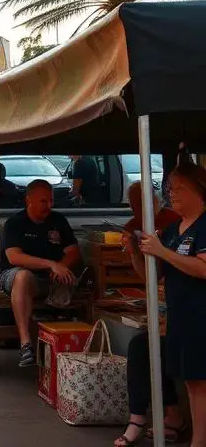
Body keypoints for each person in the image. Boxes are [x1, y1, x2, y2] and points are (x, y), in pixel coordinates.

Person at [129, 163, 206, 447]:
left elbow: (202, 268)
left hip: (201, 315)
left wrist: (162, 251)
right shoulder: (173, 229)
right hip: (180, 316)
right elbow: (156, 276)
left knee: (200, 384)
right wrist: (139, 255)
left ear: (197, 190)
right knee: (191, 381)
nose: (172, 195)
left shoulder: (204, 225)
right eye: (170, 189)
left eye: (178, 189)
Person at [114, 181, 185, 446]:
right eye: (136, 204)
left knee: (151, 345)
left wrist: (159, 250)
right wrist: (134, 252)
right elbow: (151, 278)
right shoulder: (134, 225)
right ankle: (142, 418)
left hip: (187, 312)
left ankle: (167, 417)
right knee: (146, 345)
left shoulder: (176, 223)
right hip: (176, 307)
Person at [0, 179, 81, 367]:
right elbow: (14, 257)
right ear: (29, 200)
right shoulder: (15, 223)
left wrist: (62, 265)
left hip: (48, 279)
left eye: (50, 201)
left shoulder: (58, 220)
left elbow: (73, 251)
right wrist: (51, 264)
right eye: (43, 201)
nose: (49, 205)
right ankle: (26, 344)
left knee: (73, 281)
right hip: (12, 275)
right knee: (23, 276)